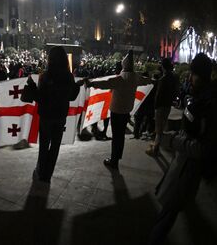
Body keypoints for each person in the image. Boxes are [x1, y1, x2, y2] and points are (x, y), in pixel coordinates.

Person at [148, 53, 217, 245]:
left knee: (167, 213)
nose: (189, 78)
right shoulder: (199, 97)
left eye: (193, 74)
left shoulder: (209, 105)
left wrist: (173, 142)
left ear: (202, 76)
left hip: (188, 170)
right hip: (182, 166)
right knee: (167, 212)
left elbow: (203, 148)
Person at [21, 46, 82, 182]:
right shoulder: (68, 76)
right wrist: (76, 86)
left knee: (44, 145)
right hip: (60, 116)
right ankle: (47, 175)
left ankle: (40, 172)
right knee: (55, 146)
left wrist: (31, 86)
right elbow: (72, 97)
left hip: (46, 116)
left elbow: (39, 97)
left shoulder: (46, 76)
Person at [86, 51, 152, 169]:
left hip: (117, 111)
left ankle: (114, 160)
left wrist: (91, 84)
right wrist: (153, 80)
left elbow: (105, 83)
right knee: (120, 136)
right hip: (126, 111)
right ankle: (117, 157)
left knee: (116, 136)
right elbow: (146, 80)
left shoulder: (120, 79)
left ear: (124, 65)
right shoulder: (136, 78)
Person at [146, 58, 178, 157]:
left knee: (158, 128)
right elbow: (175, 91)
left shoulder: (163, 79)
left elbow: (158, 95)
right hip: (167, 105)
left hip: (160, 106)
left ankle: (156, 149)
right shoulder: (173, 77)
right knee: (161, 127)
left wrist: (155, 106)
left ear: (163, 67)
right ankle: (156, 145)